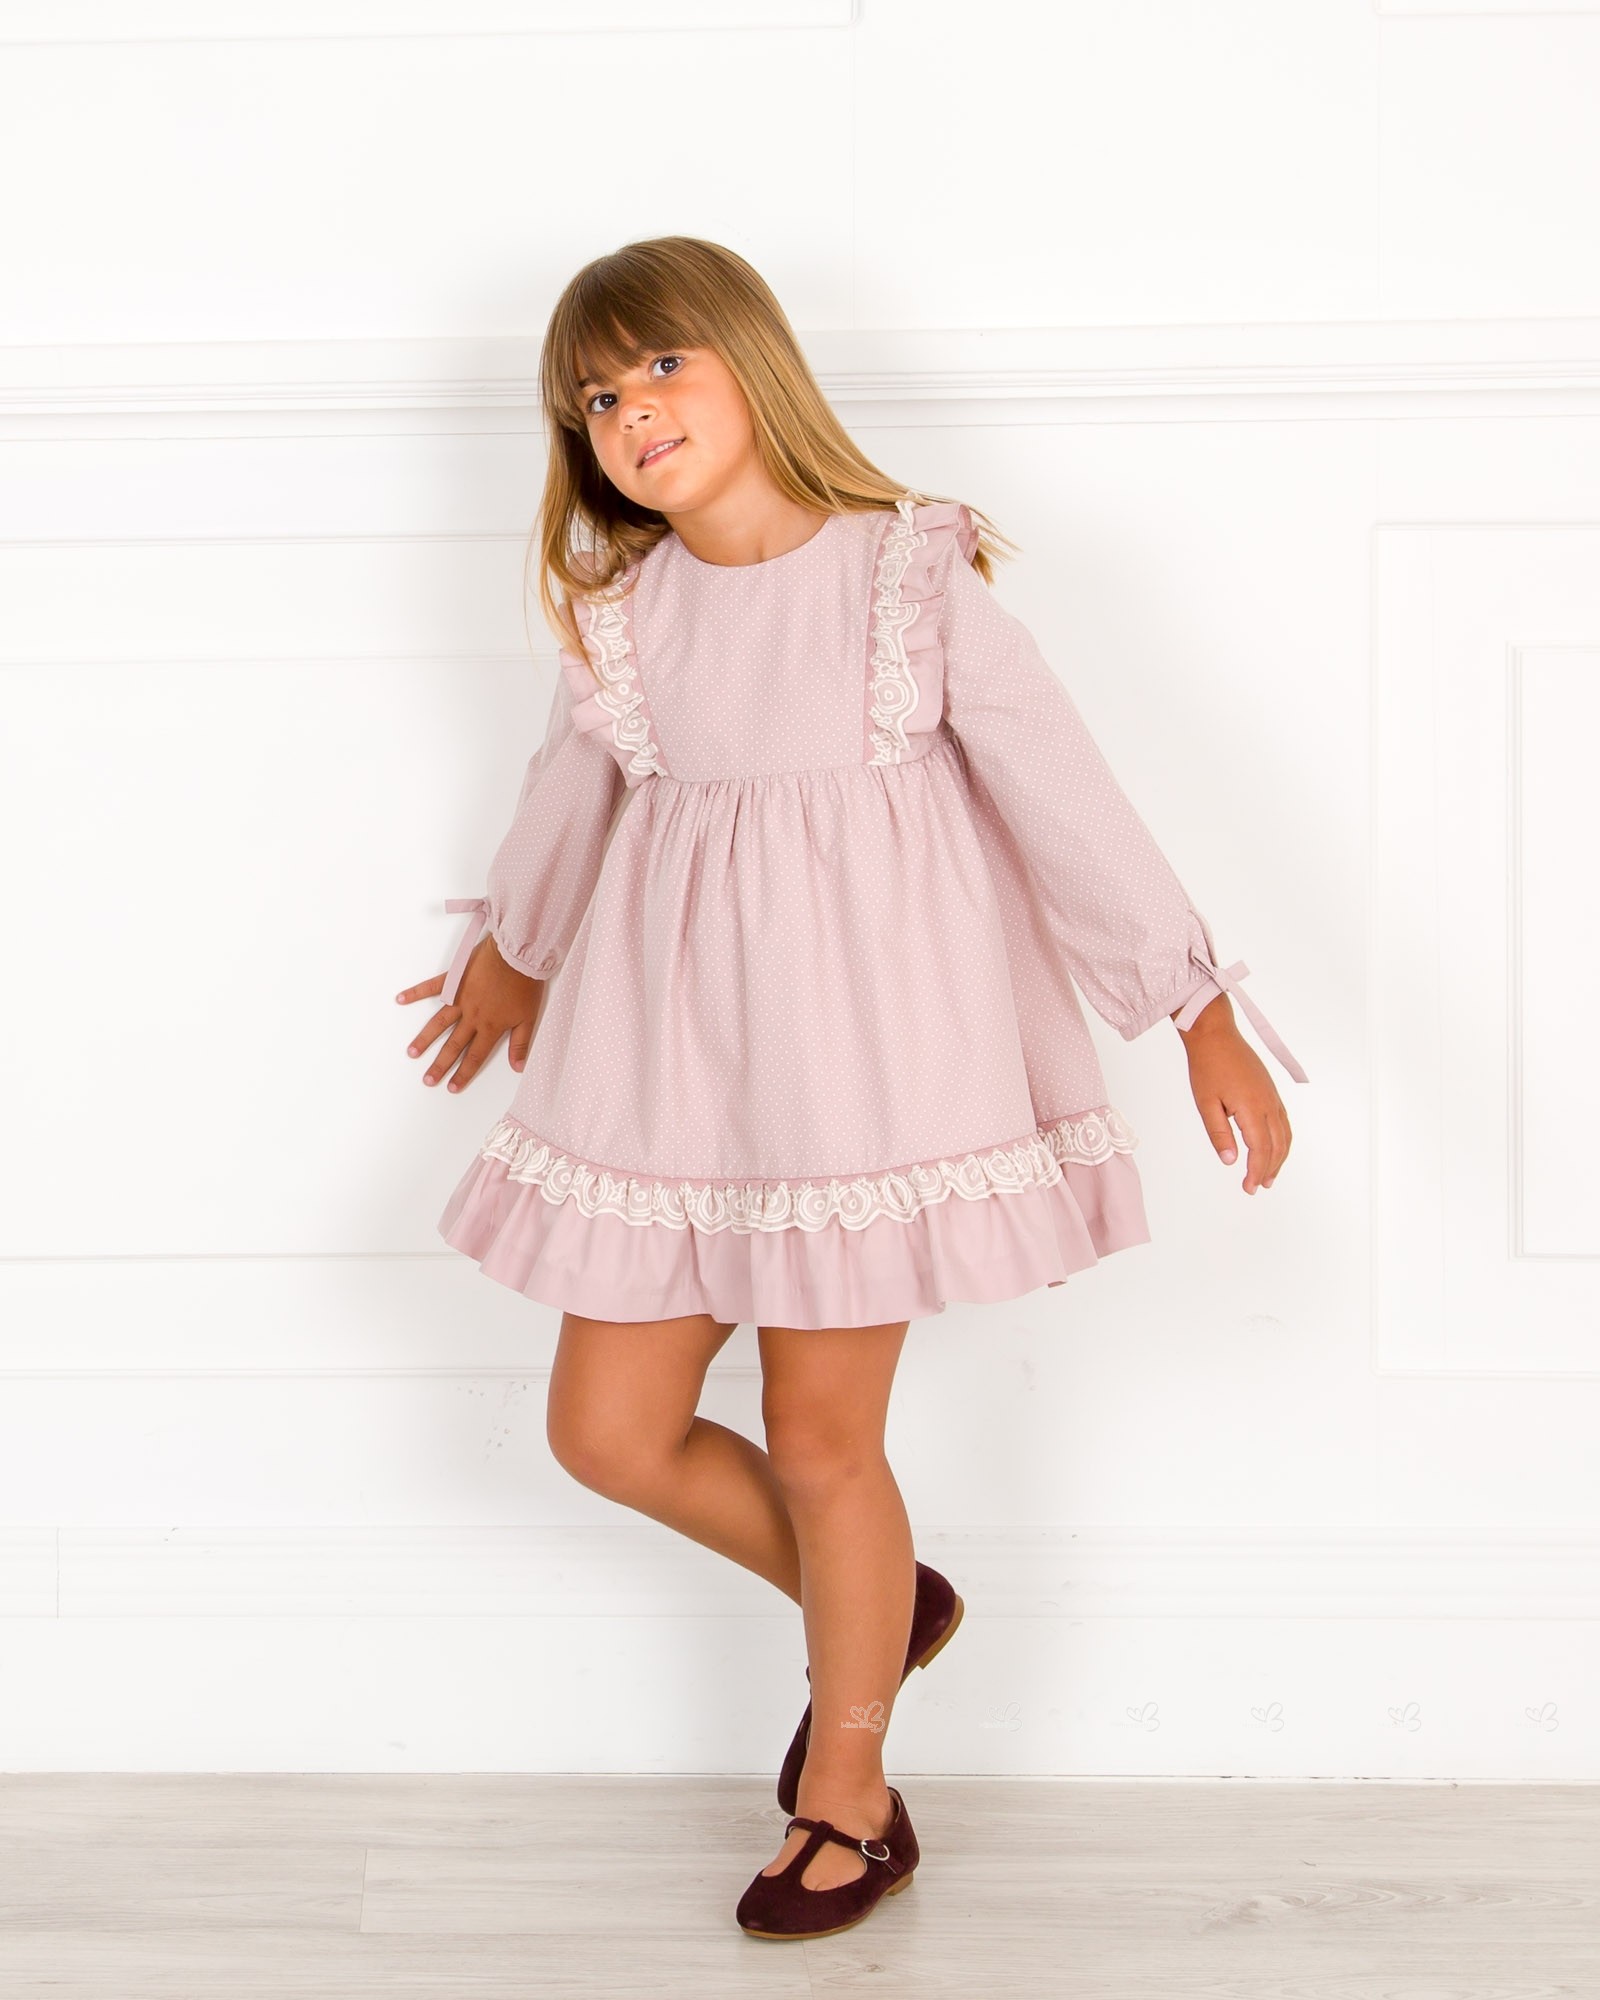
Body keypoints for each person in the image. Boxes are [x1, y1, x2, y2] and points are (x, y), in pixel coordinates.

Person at [394, 235, 1306, 1940]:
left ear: (753, 360)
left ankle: (852, 1789)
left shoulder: (904, 578)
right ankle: (882, 1605)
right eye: (595, 398)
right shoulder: (625, 621)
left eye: (661, 365)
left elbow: (1064, 793)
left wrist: (1194, 1007)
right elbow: (566, 799)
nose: (631, 412)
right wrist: (514, 949)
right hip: (673, 1066)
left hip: (863, 1072)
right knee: (605, 1431)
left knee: (825, 1440)